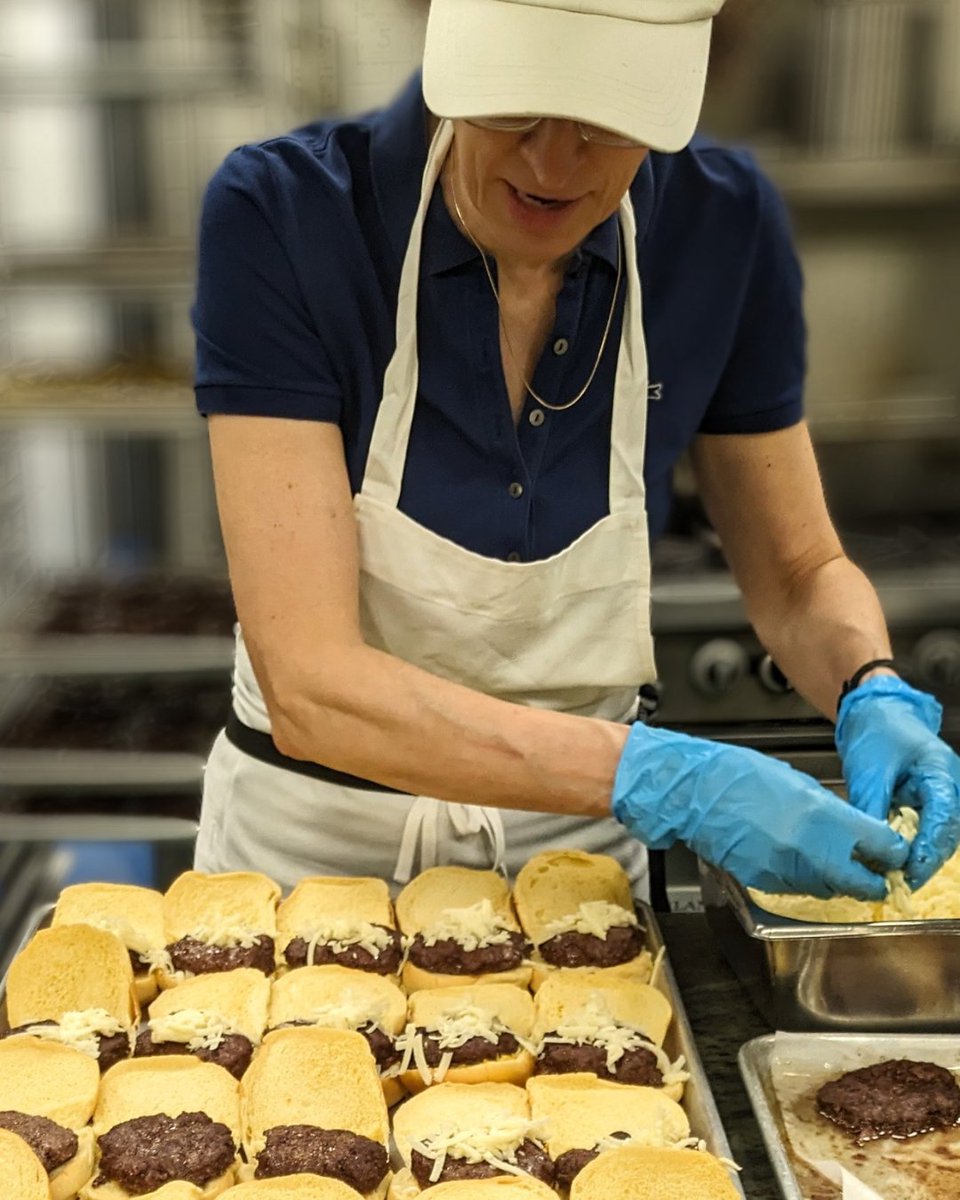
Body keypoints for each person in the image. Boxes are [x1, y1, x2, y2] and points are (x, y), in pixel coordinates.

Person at [191, 0, 960, 900]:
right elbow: (312, 685)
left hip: (582, 879)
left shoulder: (719, 224)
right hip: (309, 867)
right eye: (516, 106)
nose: (556, 164)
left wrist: (869, 685)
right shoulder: (287, 215)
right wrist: (658, 775)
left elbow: (796, 575)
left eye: (607, 118)